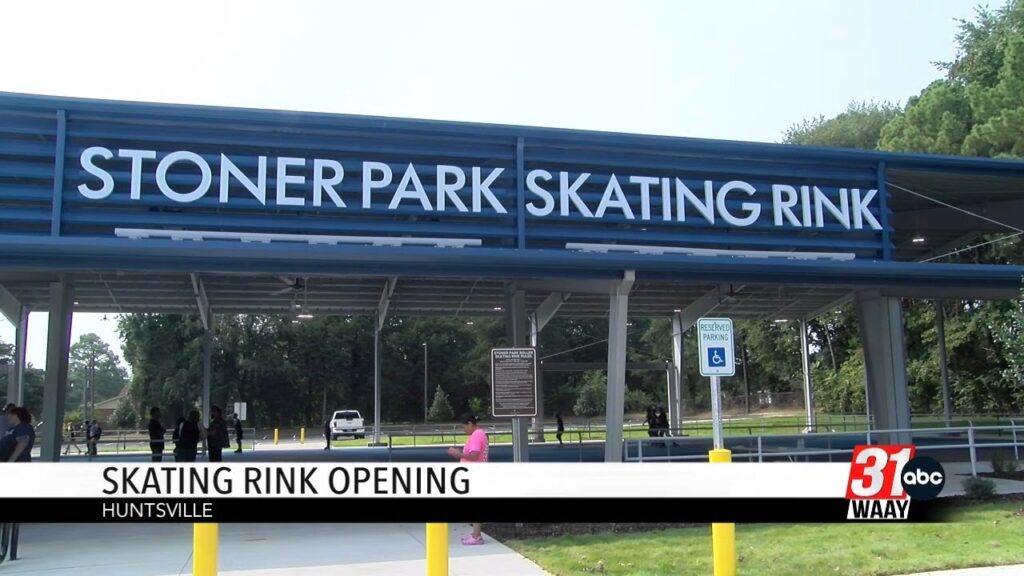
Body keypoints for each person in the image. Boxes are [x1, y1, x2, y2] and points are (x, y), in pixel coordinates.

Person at [446, 414, 488, 545]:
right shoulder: (480, 434)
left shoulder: (476, 435)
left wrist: (457, 454)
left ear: (470, 423)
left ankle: (476, 536)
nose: (464, 430)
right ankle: (476, 534)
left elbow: (474, 456)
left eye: (464, 427)